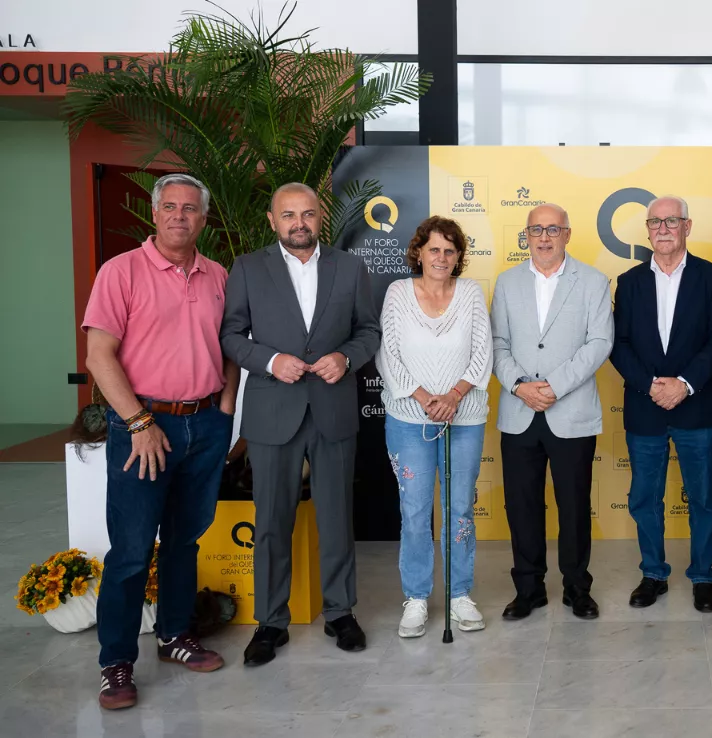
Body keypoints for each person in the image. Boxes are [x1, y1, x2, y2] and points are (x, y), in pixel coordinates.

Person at [83, 173, 239, 710]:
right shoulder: (120, 271)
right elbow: (99, 356)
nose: (179, 215)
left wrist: (225, 410)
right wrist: (138, 422)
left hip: (205, 424)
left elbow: (230, 348)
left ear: (203, 219)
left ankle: (174, 635)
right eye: (170, 206)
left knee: (184, 541)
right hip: (143, 427)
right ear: (154, 214)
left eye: (190, 208)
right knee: (130, 550)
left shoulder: (218, 275)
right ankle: (116, 662)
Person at [220, 182, 381, 665]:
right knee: (271, 523)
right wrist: (270, 361)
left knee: (336, 518)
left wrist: (346, 358)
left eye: (307, 214)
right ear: (273, 221)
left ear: (319, 217)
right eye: (288, 215)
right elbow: (231, 334)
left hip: (333, 409)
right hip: (273, 413)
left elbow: (368, 331)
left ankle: (340, 612)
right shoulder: (248, 267)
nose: (299, 223)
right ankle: (271, 621)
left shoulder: (349, 267)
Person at [491, 203, 614, 621]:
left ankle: (577, 589)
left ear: (567, 234)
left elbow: (599, 342)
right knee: (522, 505)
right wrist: (520, 386)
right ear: (526, 236)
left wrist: (554, 386)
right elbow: (497, 343)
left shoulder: (593, 281)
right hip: (519, 410)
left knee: (574, 506)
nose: (544, 237)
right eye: (536, 230)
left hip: (571, 411)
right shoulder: (506, 282)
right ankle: (529, 590)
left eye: (553, 229)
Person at [610, 195, 712, 613]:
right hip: (645, 405)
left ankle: (703, 576)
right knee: (645, 498)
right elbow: (618, 344)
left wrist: (684, 384)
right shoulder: (628, 282)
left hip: (695, 403)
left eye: (671, 221)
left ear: (687, 226)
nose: (662, 229)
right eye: (655, 222)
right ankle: (653, 574)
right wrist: (651, 386)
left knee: (702, 498)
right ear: (647, 230)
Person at [376, 216, 492, 638]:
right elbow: (388, 355)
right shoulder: (397, 293)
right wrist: (427, 399)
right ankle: (417, 597)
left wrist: (453, 396)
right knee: (414, 511)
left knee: (459, 508)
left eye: (450, 250)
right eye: (434, 249)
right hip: (410, 419)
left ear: (458, 256)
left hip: (465, 417)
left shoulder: (471, 293)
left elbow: (483, 354)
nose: (441, 257)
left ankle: (459, 594)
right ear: (419, 253)